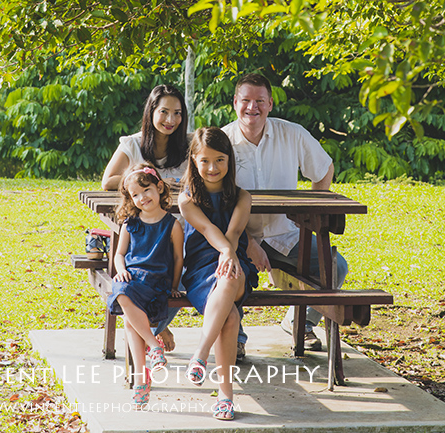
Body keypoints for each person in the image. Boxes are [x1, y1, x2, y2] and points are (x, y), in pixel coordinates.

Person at [222, 73, 348, 358]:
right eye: (245, 100)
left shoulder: (291, 133)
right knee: (230, 273)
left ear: (270, 104)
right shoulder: (222, 141)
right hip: (239, 236)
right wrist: (248, 243)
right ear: (235, 103)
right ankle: (235, 337)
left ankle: (299, 323)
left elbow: (323, 169)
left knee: (335, 266)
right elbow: (216, 203)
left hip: (286, 234)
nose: (252, 108)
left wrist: (309, 213)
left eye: (259, 101)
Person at [179, 127, 258, 421]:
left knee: (231, 275)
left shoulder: (242, 197)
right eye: (205, 161)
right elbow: (208, 230)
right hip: (201, 270)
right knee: (231, 318)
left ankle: (200, 355)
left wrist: (229, 253)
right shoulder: (187, 200)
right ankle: (225, 397)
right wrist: (225, 252)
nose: (213, 168)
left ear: (230, 160)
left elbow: (234, 232)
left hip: (238, 264)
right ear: (194, 162)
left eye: (220, 160)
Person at [102, 84, 189, 351]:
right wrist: (151, 181)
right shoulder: (133, 144)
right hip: (144, 238)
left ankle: (156, 326)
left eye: (177, 113)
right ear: (151, 112)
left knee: (187, 270)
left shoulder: (189, 145)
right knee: (138, 278)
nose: (170, 120)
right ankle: (156, 331)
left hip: (177, 230)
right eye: (164, 112)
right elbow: (108, 181)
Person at [106, 164, 184, 408]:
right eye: (135, 195)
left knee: (130, 321)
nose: (142, 198)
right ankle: (153, 348)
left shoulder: (172, 225)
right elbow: (119, 254)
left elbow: (178, 259)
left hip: (157, 281)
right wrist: (122, 271)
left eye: (146, 190)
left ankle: (142, 378)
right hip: (133, 279)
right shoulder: (130, 224)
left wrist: (173, 286)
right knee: (121, 291)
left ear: (159, 187)